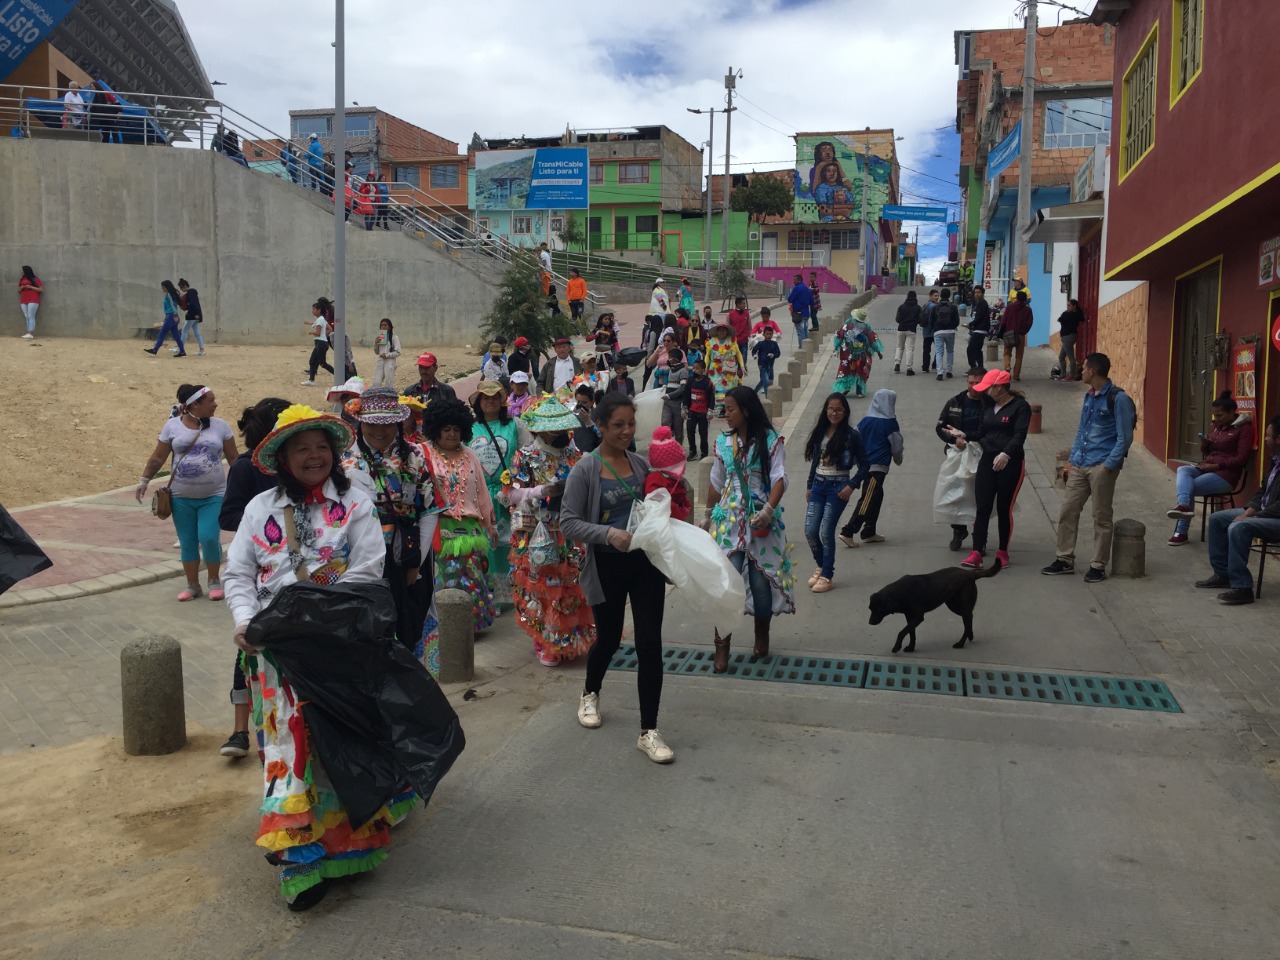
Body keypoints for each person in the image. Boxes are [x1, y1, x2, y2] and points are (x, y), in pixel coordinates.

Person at [222, 404, 391, 911]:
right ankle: (300, 862)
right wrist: (246, 621)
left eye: (322, 447)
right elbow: (237, 574)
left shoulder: (357, 503)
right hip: (278, 654)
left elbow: (369, 569)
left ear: (335, 454)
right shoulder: (259, 509)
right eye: (303, 449)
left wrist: (320, 608)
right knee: (287, 751)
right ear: (283, 459)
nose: (314, 457)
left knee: (339, 743)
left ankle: (343, 845)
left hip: (340, 646)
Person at [560, 392, 673, 762]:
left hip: (645, 566)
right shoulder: (585, 469)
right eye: (619, 425)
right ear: (601, 426)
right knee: (607, 639)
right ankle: (590, 692)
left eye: (631, 424)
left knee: (649, 645)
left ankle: (649, 730)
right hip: (606, 566)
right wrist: (609, 534)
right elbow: (569, 522)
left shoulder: (641, 466)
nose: (627, 431)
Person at [339, 389, 440, 668]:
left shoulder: (415, 457)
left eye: (387, 423)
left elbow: (429, 509)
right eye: (373, 423)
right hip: (356, 561)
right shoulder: (343, 460)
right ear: (360, 422)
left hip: (405, 558)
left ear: (397, 422)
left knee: (408, 628)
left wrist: (416, 564)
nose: (380, 430)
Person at [216, 397, 291, 759]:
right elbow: (228, 515)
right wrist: (263, 523)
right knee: (246, 654)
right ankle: (239, 730)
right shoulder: (246, 468)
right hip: (261, 581)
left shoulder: (303, 468)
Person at [704, 386, 796, 672]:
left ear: (746, 410)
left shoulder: (770, 440)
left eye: (730, 409)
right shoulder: (722, 442)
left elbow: (780, 478)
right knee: (726, 584)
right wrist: (707, 516)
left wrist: (768, 511)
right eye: (725, 409)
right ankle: (722, 647)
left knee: (760, 584)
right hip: (728, 520)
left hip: (760, 520)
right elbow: (716, 481)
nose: (726, 415)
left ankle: (761, 635)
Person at [501, 395, 596, 666]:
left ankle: (569, 635)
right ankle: (545, 638)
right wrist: (543, 490)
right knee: (542, 587)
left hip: (569, 529)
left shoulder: (574, 456)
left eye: (564, 429)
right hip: (537, 531)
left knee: (570, 584)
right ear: (540, 430)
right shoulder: (525, 456)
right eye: (555, 430)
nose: (562, 434)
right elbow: (511, 494)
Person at [136, 384, 239, 601]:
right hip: (180, 497)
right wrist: (144, 480)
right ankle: (192, 585)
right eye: (210, 401)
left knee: (209, 537)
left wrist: (242, 487)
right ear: (194, 404)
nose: (215, 404)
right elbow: (158, 457)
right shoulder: (172, 426)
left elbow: (234, 460)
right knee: (188, 540)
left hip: (214, 495)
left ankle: (213, 580)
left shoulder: (221, 426)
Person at [1042, 353, 1136, 583]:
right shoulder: (1089, 396)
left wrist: (1108, 466)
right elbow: (1081, 430)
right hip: (1080, 464)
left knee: (1101, 517)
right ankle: (1064, 559)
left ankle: (1098, 564)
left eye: (1083, 368)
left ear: (1092, 371)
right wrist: (1072, 459)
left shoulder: (1118, 398)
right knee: (1067, 511)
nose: (1080, 371)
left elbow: (1125, 437)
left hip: (1101, 466)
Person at [421, 397, 498, 635]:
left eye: (456, 429)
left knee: (473, 578)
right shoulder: (424, 454)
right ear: (436, 429)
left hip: (471, 529)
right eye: (446, 429)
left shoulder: (470, 455)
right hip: (439, 530)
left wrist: (490, 523)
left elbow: (482, 492)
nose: (452, 434)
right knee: (445, 580)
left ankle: (471, 627)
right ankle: (445, 627)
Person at [1195, 416, 1280, 605]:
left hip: (1274, 518)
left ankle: (1242, 587)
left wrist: (1251, 516)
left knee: (1238, 527)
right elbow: (1261, 491)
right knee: (1217, 519)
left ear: (1278, 439)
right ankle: (1222, 574)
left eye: (1268, 436)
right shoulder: (1275, 460)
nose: (1265, 440)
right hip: (1262, 512)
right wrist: (1249, 511)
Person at [958, 370, 1031, 569]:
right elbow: (982, 432)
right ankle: (976, 551)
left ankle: (1002, 551)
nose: (984, 392)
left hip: (1011, 462)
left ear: (999, 387)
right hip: (988, 459)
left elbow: (1019, 435)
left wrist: (1006, 454)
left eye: (987, 388)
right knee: (982, 507)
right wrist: (965, 434)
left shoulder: (1020, 407)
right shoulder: (988, 405)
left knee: (1004, 508)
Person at [470, 380, 533, 604]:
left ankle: (507, 597)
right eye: (485, 397)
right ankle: (485, 597)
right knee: (482, 547)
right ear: (478, 402)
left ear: (502, 401)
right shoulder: (469, 427)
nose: (490, 401)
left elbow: (528, 453)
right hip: (477, 497)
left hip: (507, 498)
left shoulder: (514, 425)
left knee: (507, 545)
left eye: (495, 397)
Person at [1166, 392, 1255, 545]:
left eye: (1220, 415)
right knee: (1183, 470)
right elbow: (1207, 451)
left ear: (1231, 412)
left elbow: (1242, 458)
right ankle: (1184, 506)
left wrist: (1216, 465)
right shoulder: (1215, 426)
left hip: (1226, 474)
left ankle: (1181, 531)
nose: (1216, 419)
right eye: (1214, 415)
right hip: (1207, 467)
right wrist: (1205, 443)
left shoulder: (1244, 429)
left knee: (1189, 488)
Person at [803, 394, 868, 594]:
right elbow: (815, 461)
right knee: (810, 530)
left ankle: (827, 575)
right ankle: (822, 565)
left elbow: (865, 464)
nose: (834, 413)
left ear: (845, 412)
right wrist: (809, 484)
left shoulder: (852, 435)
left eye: (839, 410)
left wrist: (852, 485)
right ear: (825, 410)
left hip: (838, 487)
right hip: (818, 485)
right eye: (831, 409)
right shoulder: (820, 432)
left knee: (826, 530)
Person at [935, 366, 991, 552]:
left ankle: (979, 538)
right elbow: (940, 427)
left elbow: (991, 431)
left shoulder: (991, 404)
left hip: (982, 455)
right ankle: (958, 530)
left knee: (979, 497)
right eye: (970, 383)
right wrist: (953, 439)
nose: (974, 387)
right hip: (957, 456)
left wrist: (968, 436)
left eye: (978, 383)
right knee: (955, 494)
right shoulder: (955, 402)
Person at [838, 389, 904, 547]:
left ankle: (869, 530)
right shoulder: (889, 423)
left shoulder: (865, 421)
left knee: (876, 496)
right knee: (868, 499)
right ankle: (848, 531)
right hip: (877, 466)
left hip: (864, 465)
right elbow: (897, 445)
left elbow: (853, 439)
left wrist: (853, 460)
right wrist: (898, 459)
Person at [644, 425, 693, 521]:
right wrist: (679, 512)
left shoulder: (671, 477)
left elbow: (680, 494)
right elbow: (660, 501)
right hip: (664, 521)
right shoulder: (655, 479)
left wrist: (686, 504)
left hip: (675, 519)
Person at [834, 307, 882, 399]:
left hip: (855, 353)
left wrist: (878, 351)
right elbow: (840, 335)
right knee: (853, 369)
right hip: (854, 353)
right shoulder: (856, 325)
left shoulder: (857, 325)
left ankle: (853, 388)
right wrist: (836, 346)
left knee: (854, 369)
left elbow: (871, 339)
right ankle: (853, 389)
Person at [706, 320, 743, 412]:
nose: (721, 332)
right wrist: (705, 368)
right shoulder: (711, 342)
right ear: (717, 331)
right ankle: (718, 406)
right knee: (717, 385)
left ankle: (728, 405)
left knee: (729, 387)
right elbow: (707, 355)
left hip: (728, 369)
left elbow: (738, 354)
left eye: (724, 330)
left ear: (727, 331)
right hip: (715, 369)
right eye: (720, 330)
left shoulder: (732, 341)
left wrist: (742, 366)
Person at [142, 280, 186, 357]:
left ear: (166, 287)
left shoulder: (169, 295)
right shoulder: (173, 294)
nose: (162, 289)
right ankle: (182, 352)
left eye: (163, 287)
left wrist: (172, 316)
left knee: (161, 334)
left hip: (171, 317)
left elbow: (172, 306)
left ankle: (154, 350)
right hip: (173, 317)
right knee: (176, 336)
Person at [682, 357, 714, 460]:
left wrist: (710, 410)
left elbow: (711, 397)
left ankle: (704, 453)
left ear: (703, 370)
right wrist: (684, 407)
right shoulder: (690, 381)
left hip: (703, 413)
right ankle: (693, 451)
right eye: (694, 368)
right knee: (690, 432)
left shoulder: (707, 382)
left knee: (703, 433)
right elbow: (686, 395)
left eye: (697, 368)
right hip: (692, 411)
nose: (694, 370)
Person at [999, 290, 1033, 381]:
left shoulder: (1010, 307)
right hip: (1020, 335)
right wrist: (1023, 331)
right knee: (1019, 356)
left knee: (1007, 353)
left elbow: (1004, 320)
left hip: (1009, 333)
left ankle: (1007, 367)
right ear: (1025, 299)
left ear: (1016, 298)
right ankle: (1016, 375)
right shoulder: (1028, 310)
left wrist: (1001, 331)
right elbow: (1029, 323)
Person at [300, 298, 334, 386]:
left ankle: (340, 377)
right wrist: (323, 335)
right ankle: (311, 380)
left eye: (314, 309)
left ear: (319, 310)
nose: (312, 311)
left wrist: (312, 332)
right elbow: (329, 329)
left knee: (322, 363)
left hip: (321, 343)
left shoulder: (320, 320)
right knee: (312, 361)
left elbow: (318, 333)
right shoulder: (321, 319)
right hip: (321, 343)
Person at [660, 348, 689, 447]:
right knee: (665, 424)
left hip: (677, 403)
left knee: (678, 428)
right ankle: (665, 446)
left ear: (675, 358)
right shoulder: (670, 370)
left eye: (670, 357)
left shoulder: (683, 371)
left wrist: (669, 395)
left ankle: (678, 448)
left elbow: (682, 388)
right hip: (667, 403)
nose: (668, 359)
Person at [931, 288, 961, 381]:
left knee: (939, 352)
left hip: (938, 331)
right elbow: (957, 320)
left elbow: (931, 320)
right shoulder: (953, 307)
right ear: (949, 296)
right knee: (950, 351)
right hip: (950, 331)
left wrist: (935, 328)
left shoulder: (935, 307)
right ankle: (949, 371)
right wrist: (952, 326)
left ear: (940, 295)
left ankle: (939, 373)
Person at [1055, 299, 1087, 381]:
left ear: (1074, 306)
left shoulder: (1071, 314)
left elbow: (1060, 319)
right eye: (1067, 305)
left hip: (1068, 337)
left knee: (1071, 357)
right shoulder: (1072, 314)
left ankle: (1071, 375)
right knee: (1061, 357)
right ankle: (1063, 374)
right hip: (1067, 337)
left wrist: (1065, 314)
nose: (1068, 307)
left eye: (1069, 305)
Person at [893, 290, 922, 374]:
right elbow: (920, 320)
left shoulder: (902, 307)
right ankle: (909, 368)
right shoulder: (918, 308)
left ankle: (897, 364)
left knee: (899, 347)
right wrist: (914, 322)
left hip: (901, 329)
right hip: (911, 330)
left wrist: (903, 322)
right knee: (909, 349)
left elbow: (897, 319)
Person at [177, 279, 205, 357]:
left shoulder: (190, 292)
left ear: (184, 286)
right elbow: (193, 303)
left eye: (181, 288)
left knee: (184, 330)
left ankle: (180, 348)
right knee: (197, 332)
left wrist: (189, 310)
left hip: (193, 315)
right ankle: (202, 349)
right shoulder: (192, 292)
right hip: (196, 315)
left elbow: (193, 303)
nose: (182, 290)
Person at [966, 286, 992, 369]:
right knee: (977, 350)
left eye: (978, 292)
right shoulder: (978, 303)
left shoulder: (983, 303)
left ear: (982, 293)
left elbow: (979, 317)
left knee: (970, 349)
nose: (976, 294)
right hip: (978, 329)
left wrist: (970, 324)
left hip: (980, 330)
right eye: (975, 292)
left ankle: (973, 367)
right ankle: (980, 368)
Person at [752, 325, 781, 397]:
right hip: (762, 364)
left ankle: (754, 392)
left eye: (770, 334)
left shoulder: (774, 344)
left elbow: (778, 353)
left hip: (770, 364)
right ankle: (768, 397)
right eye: (767, 334)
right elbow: (754, 350)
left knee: (763, 380)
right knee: (766, 381)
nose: (769, 336)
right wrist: (754, 355)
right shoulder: (760, 344)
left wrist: (773, 355)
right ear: (764, 334)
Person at [372, 318, 402, 388]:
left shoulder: (394, 337)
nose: (383, 327)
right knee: (377, 382)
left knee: (389, 382)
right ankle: (376, 397)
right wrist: (376, 343)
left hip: (390, 361)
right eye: (382, 325)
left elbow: (398, 352)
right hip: (380, 361)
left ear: (389, 327)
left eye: (385, 325)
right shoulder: (380, 337)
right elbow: (376, 352)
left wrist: (387, 355)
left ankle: (389, 397)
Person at [728, 296, 752, 374]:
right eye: (743, 303)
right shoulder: (730, 314)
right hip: (733, 342)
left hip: (744, 341)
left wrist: (750, 336)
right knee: (732, 361)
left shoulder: (747, 314)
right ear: (738, 304)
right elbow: (728, 327)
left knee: (743, 360)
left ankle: (740, 376)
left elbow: (749, 326)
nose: (745, 305)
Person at [787, 274, 812, 344]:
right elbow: (811, 301)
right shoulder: (807, 289)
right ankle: (807, 347)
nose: (793, 281)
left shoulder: (797, 288)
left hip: (798, 313)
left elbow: (790, 299)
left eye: (794, 280)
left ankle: (801, 348)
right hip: (806, 313)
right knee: (805, 331)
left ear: (799, 280)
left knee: (800, 332)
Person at [18, 265, 41, 340]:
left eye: (23, 271)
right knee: (26, 316)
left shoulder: (34, 279)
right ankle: (28, 332)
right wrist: (21, 288)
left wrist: (31, 287)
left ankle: (30, 333)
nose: (22, 272)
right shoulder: (21, 280)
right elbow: (18, 291)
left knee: (31, 315)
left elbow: (40, 289)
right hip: (24, 299)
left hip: (33, 299)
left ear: (26, 271)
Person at [920, 289, 940, 374]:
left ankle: (925, 367)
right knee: (939, 349)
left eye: (938, 296)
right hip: (934, 331)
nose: (937, 297)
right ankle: (934, 365)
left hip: (926, 331)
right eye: (935, 296)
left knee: (926, 350)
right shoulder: (934, 306)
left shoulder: (925, 305)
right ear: (930, 296)